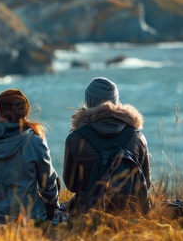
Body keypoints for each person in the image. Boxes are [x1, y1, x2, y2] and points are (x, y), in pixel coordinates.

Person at [0, 89, 60, 223]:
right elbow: (48, 184)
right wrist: (53, 207)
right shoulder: (35, 142)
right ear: (25, 112)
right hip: (30, 217)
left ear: (0, 114)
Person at [63, 77, 151, 214]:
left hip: (88, 213)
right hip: (128, 212)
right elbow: (146, 183)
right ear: (116, 101)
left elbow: (71, 185)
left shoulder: (76, 138)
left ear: (88, 102)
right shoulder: (137, 137)